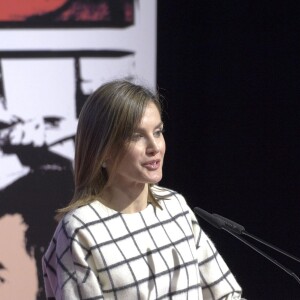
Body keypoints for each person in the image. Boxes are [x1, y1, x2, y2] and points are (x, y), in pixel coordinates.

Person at [42, 79, 243, 299]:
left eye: (158, 132)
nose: (155, 147)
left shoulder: (174, 206)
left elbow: (225, 294)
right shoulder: (80, 230)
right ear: (103, 150)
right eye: (136, 136)